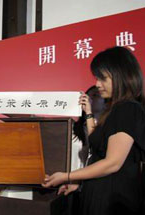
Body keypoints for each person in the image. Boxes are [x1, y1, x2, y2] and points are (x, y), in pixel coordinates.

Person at [43, 46, 145, 215]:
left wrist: (68, 176)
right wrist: (79, 181)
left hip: (113, 201)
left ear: (121, 76)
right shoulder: (115, 110)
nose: (98, 85)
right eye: (97, 78)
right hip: (101, 195)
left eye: (103, 78)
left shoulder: (128, 109)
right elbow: (98, 147)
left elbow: (112, 162)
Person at [72, 86, 105, 170]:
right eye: (87, 97)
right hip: (73, 178)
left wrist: (89, 112)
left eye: (95, 95)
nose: (89, 100)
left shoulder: (109, 127)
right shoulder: (73, 128)